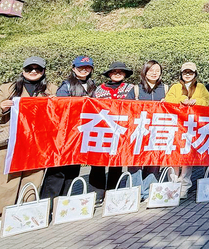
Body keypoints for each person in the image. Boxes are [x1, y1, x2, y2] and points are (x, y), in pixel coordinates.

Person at [0, 57, 57, 231]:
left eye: (37, 69)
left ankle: (27, 214)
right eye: (29, 68)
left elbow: (61, 110)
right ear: (23, 70)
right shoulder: (8, 88)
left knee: (33, 178)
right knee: (5, 180)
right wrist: (2, 107)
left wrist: (55, 103)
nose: (33, 72)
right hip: (10, 141)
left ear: (43, 71)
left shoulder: (51, 89)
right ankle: (0, 217)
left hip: (37, 141)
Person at [42, 56, 94, 201]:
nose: (84, 70)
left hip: (81, 133)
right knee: (58, 169)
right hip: (65, 133)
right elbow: (60, 106)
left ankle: (64, 201)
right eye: (80, 67)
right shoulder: (66, 85)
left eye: (87, 67)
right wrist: (79, 102)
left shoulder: (93, 85)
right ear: (73, 68)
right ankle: (48, 201)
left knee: (73, 169)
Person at [90, 61, 135, 200]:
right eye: (114, 72)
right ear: (109, 74)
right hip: (102, 129)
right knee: (98, 161)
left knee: (116, 162)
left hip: (121, 130)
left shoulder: (130, 88)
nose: (117, 74)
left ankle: (112, 192)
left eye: (120, 72)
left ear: (125, 74)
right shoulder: (99, 90)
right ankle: (97, 193)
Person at [164, 62, 209, 197]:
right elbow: (168, 100)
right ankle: (173, 184)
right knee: (173, 155)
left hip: (192, 126)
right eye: (185, 72)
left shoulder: (201, 87)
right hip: (176, 125)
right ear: (181, 74)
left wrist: (196, 101)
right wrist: (182, 99)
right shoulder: (175, 87)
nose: (188, 75)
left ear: (195, 74)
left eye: (190, 72)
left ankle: (184, 186)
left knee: (187, 157)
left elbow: (206, 101)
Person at [130, 60, 169, 183]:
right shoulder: (136, 89)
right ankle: (135, 188)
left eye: (157, 71)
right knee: (135, 162)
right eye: (151, 70)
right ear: (145, 72)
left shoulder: (166, 89)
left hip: (157, 131)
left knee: (154, 162)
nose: (154, 73)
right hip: (139, 131)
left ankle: (149, 189)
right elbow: (125, 109)